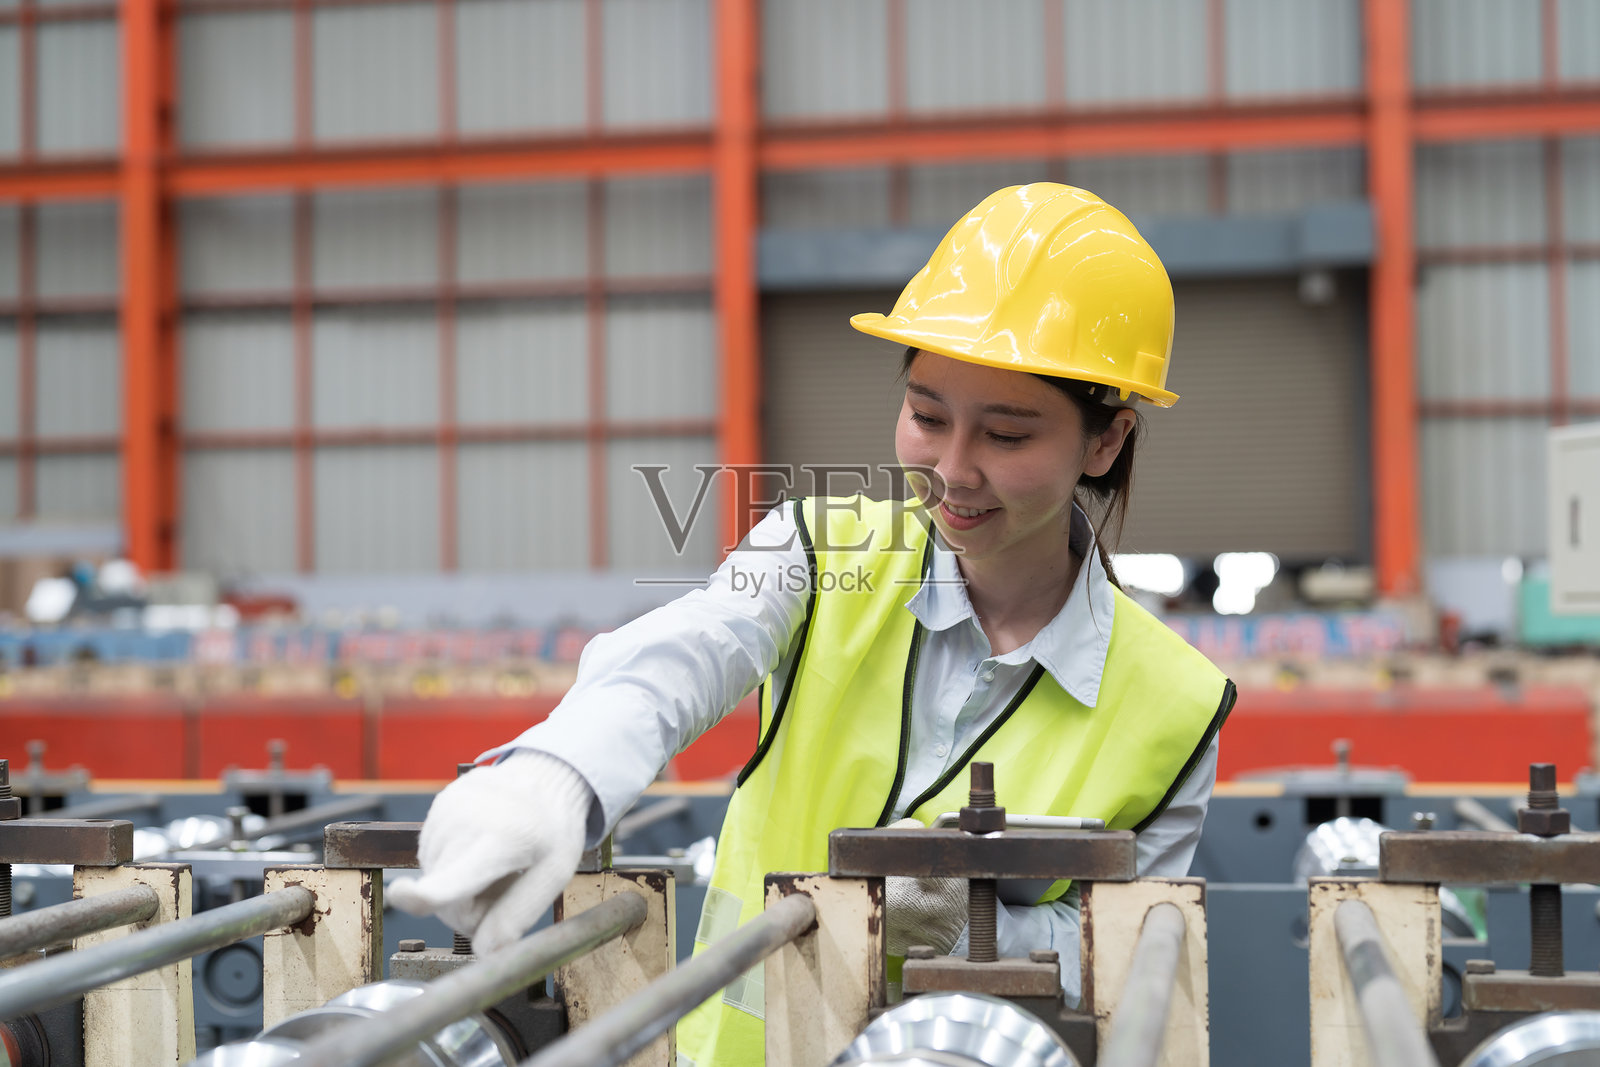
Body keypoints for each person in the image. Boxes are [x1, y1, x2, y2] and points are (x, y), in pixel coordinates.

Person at [389, 183, 1236, 1066]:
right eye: (926, 415)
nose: (951, 470)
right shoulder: (814, 549)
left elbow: (1133, 956)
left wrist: (967, 920)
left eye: (1007, 435)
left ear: (1106, 441)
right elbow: (691, 650)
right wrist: (558, 775)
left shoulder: (1176, 706)